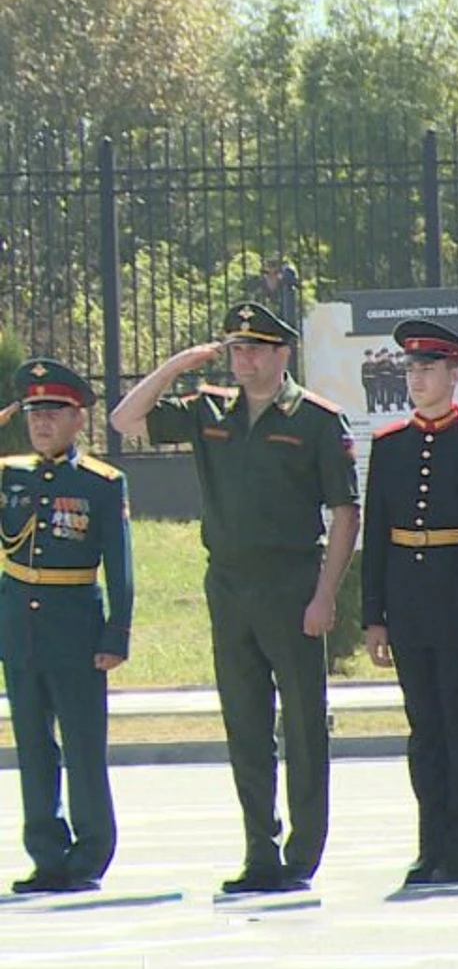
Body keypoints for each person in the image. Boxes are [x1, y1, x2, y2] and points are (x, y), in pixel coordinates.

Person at [110, 302, 360, 894]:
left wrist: (327, 594)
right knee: (244, 724)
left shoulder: (316, 419)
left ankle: (302, 851)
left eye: (255, 349)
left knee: (302, 725)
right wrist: (178, 365)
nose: (243, 359)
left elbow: (345, 514)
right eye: (236, 348)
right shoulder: (210, 410)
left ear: (282, 355)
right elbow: (124, 420)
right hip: (229, 583)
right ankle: (260, 851)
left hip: (293, 581)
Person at [361, 320, 458, 886]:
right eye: (412, 369)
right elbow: (378, 536)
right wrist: (375, 616)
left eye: (428, 368)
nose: (418, 379)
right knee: (425, 733)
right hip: (411, 604)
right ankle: (431, 843)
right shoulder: (390, 444)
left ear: (455, 373)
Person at [0, 358, 132, 894]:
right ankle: (47, 855)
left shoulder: (101, 483)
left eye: (53, 411)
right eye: (34, 412)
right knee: (32, 745)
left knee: (81, 746)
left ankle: (89, 854)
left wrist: (116, 633)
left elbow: (120, 567)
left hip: (75, 626)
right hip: (19, 627)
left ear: (79, 418)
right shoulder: (11, 475)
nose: (42, 422)